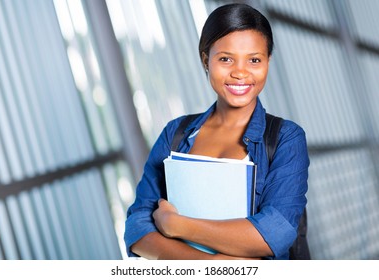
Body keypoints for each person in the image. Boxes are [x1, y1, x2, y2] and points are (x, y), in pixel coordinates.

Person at [124, 3, 309, 260]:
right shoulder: (175, 134)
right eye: (225, 59)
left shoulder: (286, 138)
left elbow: (273, 235)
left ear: (267, 61)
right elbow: (137, 227)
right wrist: (212, 265)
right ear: (205, 60)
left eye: (254, 60)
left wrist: (177, 225)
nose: (240, 72)